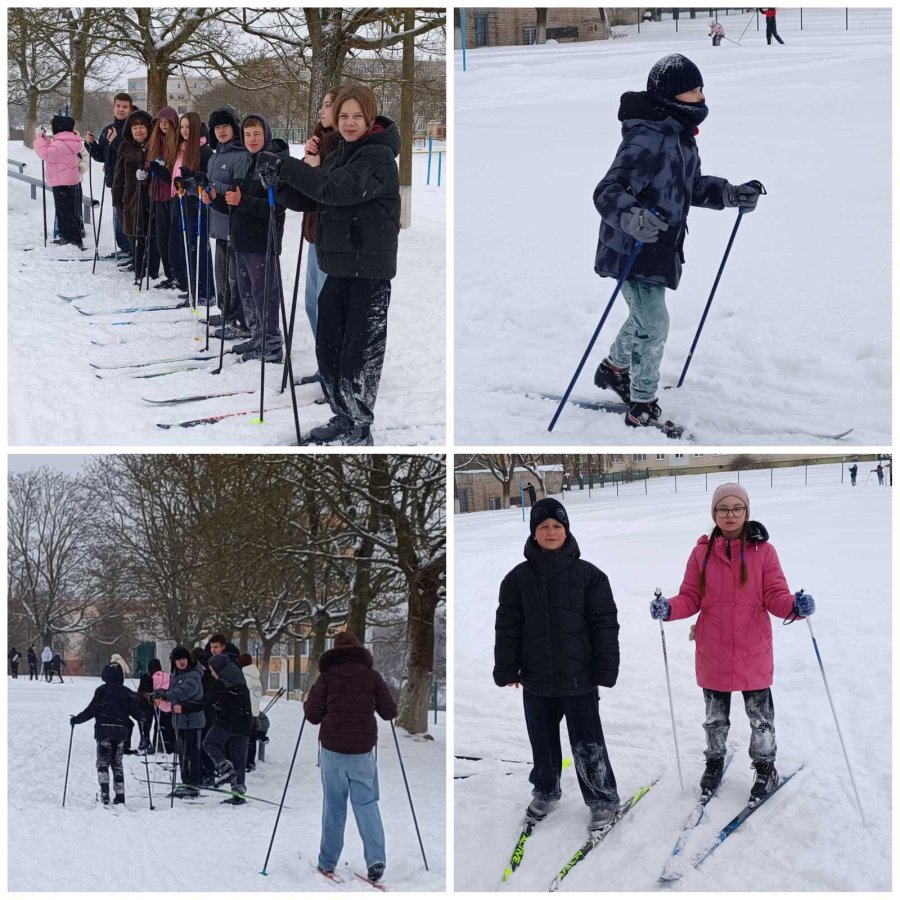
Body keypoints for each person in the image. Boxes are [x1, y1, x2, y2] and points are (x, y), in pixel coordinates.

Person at [592, 54, 763, 428]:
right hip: (631, 249)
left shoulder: (680, 135)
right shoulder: (647, 137)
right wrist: (631, 216)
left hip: (661, 248)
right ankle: (642, 404)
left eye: (701, 88)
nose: (700, 96)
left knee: (645, 318)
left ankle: (613, 369)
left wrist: (730, 194)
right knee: (654, 323)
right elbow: (609, 190)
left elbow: (691, 186)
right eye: (692, 90)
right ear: (670, 95)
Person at [650, 483, 814, 804]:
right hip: (713, 651)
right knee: (714, 718)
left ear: (746, 512)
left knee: (761, 718)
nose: (730, 515)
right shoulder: (701, 553)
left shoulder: (764, 552)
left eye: (737, 509)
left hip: (753, 650)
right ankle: (714, 761)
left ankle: (766, 768)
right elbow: (690, 597)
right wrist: (669, 608)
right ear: (714, 513)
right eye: (722, 509)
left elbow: (775, 595)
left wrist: (794, 605)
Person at [270, 84, 401, 446]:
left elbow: (335, 189)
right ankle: (343, 415)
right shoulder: (341, 153)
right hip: (339, 268)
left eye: (357, 115)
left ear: (370, 117)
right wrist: (279, 181)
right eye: (343, 116)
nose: (349, 122)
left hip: (368, 273)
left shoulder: (377, 157)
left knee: (358, 357)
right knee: (329, 349)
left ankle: (359, 425)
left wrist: (288, 168)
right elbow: (313, 196)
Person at [493, 498, 621, 832]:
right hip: (535, 678)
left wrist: (605, 667)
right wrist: (507, 667)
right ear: (534, 533)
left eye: (557, 526)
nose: (551, 532)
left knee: (587, 741)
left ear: (566, 531)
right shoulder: (516, 580)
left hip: (580, 677)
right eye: (543, 527)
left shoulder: (590, 577)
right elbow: (508, 626)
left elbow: (605, 625)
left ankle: (602, 799)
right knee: (542, 740)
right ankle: (546, 789)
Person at [205, 114, 307, 364]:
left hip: (262, 241)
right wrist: (216, 199)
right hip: (240, 238)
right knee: (247, 292)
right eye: (248, 134)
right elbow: (234, 199)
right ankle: (258, 335)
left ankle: (272, 344)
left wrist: (243, 202)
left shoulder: (274, 164)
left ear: (267, 135)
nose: (251, 139)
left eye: (256, 134)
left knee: (264, 294)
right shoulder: (244, 163)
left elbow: (276, 208)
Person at [304, 630, 397, 883]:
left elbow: (312, 715)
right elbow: (389, 711)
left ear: (335, 652)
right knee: (366, 804)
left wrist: (309, 700)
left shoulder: (326, 677)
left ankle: (327, 861)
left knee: (334, 806)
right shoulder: (371, 676)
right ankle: (376, 859)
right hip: (362, 749)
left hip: (332, 750)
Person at [296, 88, 342, 386]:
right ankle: (326, 363)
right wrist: (309, 159)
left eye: (329, 105)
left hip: (332, 239)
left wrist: (315, 168)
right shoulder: (320, 144)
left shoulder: (343, 147)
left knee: (327, 306)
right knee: (311, 304)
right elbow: (305, 190)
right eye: (322, 105)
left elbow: (330, 190)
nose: (322, 111)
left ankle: (336, 370)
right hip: (314, 234)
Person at [204, 107, 251, 341]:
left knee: (235, 277)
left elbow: (238, 189)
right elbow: (212, 186)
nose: (221, 131)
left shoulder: (241, 155)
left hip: (234, 224)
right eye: (217, 127)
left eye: (225, 126)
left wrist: (216, 191)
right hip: (218, 224)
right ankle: (226, 312)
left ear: (234, 128)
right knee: (221, 274)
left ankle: (240, 319)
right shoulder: (215, 156)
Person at [70, 662, 145, 805]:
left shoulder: (102, 691)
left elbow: (91, 710)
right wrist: (142, 716)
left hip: (103, 731)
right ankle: (120, 794)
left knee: (103, 763)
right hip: (121, 732)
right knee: (117, 763)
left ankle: (104, 792)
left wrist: (76, 720)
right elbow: (137, 713)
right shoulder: (127, 692)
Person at [165, 112, 213, 303]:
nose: (185, 131)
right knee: (188, 249)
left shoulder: (204, 151)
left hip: (197, 207)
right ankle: (194, 288)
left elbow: (205, 181)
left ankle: (206, 291)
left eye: (188, 127)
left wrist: (191, 183)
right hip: (181, 203)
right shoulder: (181, 149)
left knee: (199, 250)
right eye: (182, 127)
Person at [84, 92, 134, 263]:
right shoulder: (107, 130)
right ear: (113, 107)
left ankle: (133, 250)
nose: (121, 110)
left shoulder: (133, 129)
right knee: (117, 215)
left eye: (124, 107)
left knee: (126, 216)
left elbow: (131, 154)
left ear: (130, 109)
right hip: (114, 180)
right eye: (118, 106)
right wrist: (91, 145)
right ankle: (124, 248)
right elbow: (102, 157)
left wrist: (116, 141)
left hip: (130, 181)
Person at [199, 653, 252, 803]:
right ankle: (238, 793)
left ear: (218, 669)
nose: (212, 674)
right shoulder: (238, 677)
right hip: (244, 724)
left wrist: (183, 706)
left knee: (209, 743)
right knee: (239, 759)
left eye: (212, 670)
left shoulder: (223, 682)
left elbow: (206, 701)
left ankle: (225, 768)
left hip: (228, 722)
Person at [112, 109, 158, 285]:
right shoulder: (125, 146)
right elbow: (118, 174)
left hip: (151, 198)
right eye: (135, 128)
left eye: (142, 127)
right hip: (130, 197)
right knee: (134, 234)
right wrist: (117, 198)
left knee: (152, 235)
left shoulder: (155, 145)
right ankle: (139, 268)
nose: (139, 131)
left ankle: (152, 271)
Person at [155, 646, 206, 798]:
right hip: (179, 722)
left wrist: (167, 696)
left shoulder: (194, 675)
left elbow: (185, 691)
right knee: (182, 754)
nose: (181, 662)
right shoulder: (175, 675)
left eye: (184, 658)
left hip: (193, 721)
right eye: (178, 659)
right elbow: (172, 691)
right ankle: (185, 782)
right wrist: (160, 694)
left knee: (192, 753)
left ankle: (193, 783)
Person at [34, 116, 86, 250]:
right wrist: (45, 139)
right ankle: (67, 237)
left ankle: (73, 239)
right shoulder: (68, 140)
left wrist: (39, 138)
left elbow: (45, 154)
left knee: (65, 212)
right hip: (69, 180)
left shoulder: (60, 143)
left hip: (61, 181)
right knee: (67, 211)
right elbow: (51, 149)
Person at [146, 105, 180, 289]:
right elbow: (149, 162)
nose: (164, 125)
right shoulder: (156, 141)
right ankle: (168, 273)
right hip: (157, 195)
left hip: (171, 196)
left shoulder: (176, 144)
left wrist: (164, 172)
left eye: (167, 122)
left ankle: (176, 273)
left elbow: (175, 171)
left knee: (170, 238)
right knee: (161, 238)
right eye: (161, 122)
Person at [239, 652, 263, 771]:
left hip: (246, 713)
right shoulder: (256, 678)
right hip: (255, 712)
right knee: (252, 739)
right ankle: (251, 761)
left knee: (245, 739)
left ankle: (246, 762)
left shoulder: (245, 678)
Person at [150, 657, 175, 753]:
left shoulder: (153, 677)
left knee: (158, 724)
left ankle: (159, 744)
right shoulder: (167, 675)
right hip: (169, 703)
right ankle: (170, 745)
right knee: (169, 726)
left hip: (159, 703)